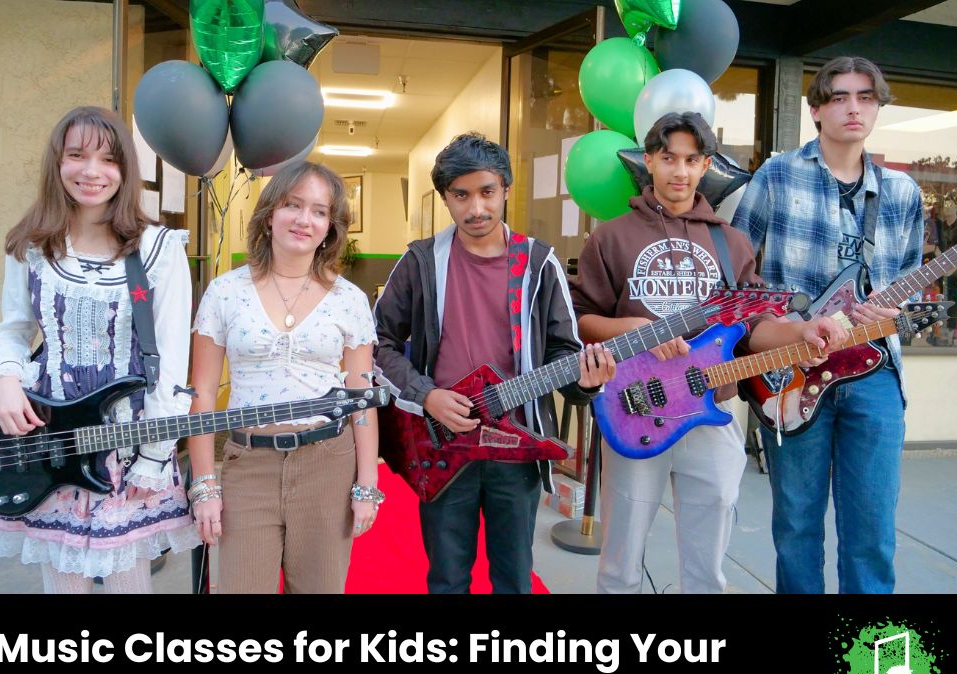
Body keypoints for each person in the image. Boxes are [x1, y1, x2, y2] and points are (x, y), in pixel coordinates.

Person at [570, 112, 843, 594]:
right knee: (620, 565)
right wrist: (637, 329)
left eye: (691, 160)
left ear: (705, 165)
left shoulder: (731, 242)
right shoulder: (610, 237)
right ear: (649, 161)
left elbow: (755, 326)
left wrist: (803, 334)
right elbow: (581, 319)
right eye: (668, 157)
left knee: (708, 570)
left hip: (710, 409)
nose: (679, 170)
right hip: (635, 407)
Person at [374, 132, 615, 594]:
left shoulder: (539, 263)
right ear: (446, 197)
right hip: (441, 444)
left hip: (515, 448)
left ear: (505, 188)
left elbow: (564, 357)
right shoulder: (420, 261)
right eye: (461, 195)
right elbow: (377, 342)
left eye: (487, 192)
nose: (476, 208)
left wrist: (588, 382)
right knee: (447, 579)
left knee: (513, 580)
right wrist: (427, 396)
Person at [0, 105, 198, 593]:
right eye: (76, 155)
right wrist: (6, 379)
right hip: (52, 440)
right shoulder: (33, 244)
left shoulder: (158, 248)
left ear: (125, 169)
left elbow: (170, 361)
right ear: (57, 164)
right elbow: (14, 330)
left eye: (108, 159)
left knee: (128, 587)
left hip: (126, 446)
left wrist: (155, 455)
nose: (91, 171)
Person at [733, 56, 924, 593]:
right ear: (815, 109)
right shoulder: (776, 176)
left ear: (878, 108)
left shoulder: (904, 193)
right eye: (839, 97)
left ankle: (867, 667)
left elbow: (906, 286)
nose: (853, 107)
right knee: (796, 528)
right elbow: (739, 279)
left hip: (875, 372)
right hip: (794, 373)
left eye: (866, 97)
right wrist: (787, 329)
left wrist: (892, 313)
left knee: (872, 532)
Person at [188, 161, 379, 594]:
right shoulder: (224, 292)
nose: (303, 220)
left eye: (318, 211)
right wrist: (204, 483)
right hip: (248, 463)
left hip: (328, 464)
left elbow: (361, 397)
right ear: (270, 213)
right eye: (293, 205)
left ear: (330, 226)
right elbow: (199, 395)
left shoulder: (349, 300)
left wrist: (367, 483)